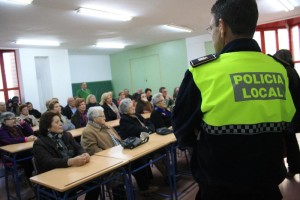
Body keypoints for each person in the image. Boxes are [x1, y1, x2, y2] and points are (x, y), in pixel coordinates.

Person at [172, 0, 300, 200]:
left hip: (218, 189)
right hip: (268, 188)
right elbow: (295, 122)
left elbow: (182, 132)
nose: (212, 32)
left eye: (211, 27)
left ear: (222, 27)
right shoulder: (282, 70)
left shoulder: (202, 72)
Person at [80, 106, 157, 198]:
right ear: (95, 119)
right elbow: (93, 151)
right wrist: (113, 156)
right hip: (108, 163)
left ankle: (144, 188)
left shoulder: (106, 126)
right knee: (118, 177)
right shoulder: (88, 131)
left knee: (140, 160)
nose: (105, 118)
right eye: (102, 116)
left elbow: (119, 140)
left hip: (120, 155)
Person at [32, 111, 99, 200]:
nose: (61, 124)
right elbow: (48, 162)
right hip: (53, 178)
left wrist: (84, 153)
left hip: (71, 172)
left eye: (60, 121)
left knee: (95, 184)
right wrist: (70, 161)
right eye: (56, 122)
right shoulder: (40, 143)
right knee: (69, 194)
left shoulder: (66, 135)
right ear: (48, 127)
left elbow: (78, 148)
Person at [274, 49, 300, 178]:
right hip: (294, 112)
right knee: (291, 141)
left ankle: (287, 168)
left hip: (286, 114)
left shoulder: (283, 71)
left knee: (283, 142)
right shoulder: (293, 70)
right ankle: (295, 166)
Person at [0, 112, 36, 179]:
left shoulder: (16, 127)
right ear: (4, 121)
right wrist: (25, 139)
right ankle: (30, 178)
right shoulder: (2, 130)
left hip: (22, 150)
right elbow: (9, 141)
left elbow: (31, 132)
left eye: (14, 118)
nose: (13, 121)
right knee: (28, 157)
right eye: (11, 119)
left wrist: (23, 123)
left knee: (37, 152)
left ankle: (35, 175)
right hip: (10, 155)